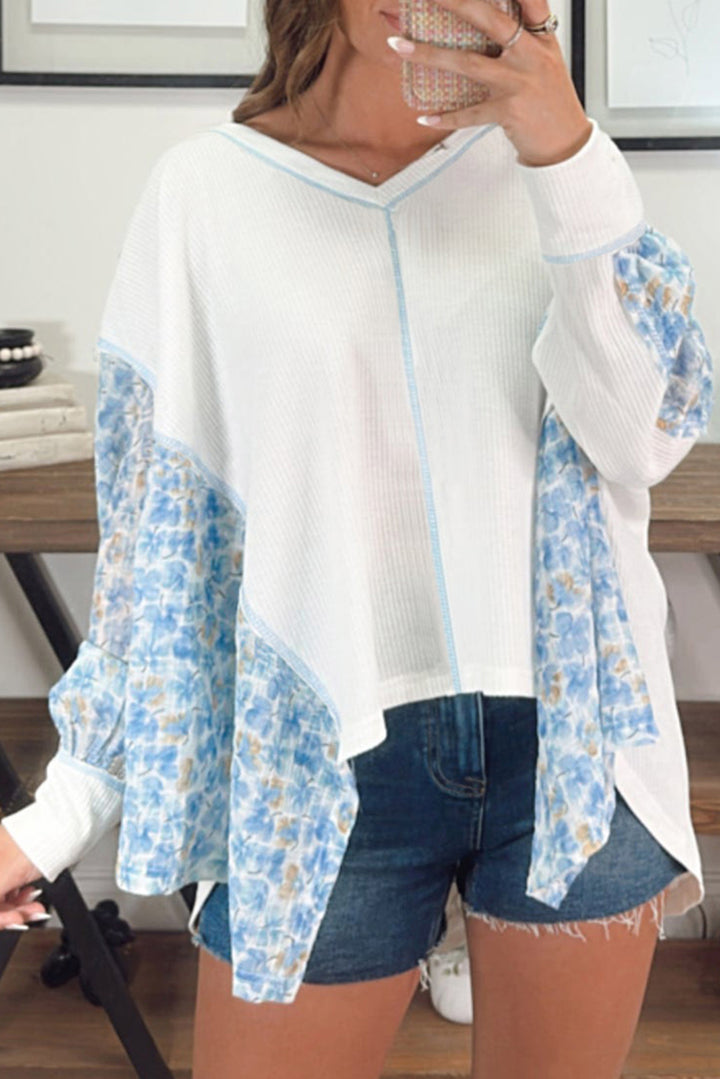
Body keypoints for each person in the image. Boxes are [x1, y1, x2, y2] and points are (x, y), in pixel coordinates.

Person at [0, 1, 714, 1076]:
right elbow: (163, 560)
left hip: (573, 747)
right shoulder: (204, 196)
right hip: (319, 753)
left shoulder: (557, 165)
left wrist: (566, 155)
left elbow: (642, 437)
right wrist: (62, 811)